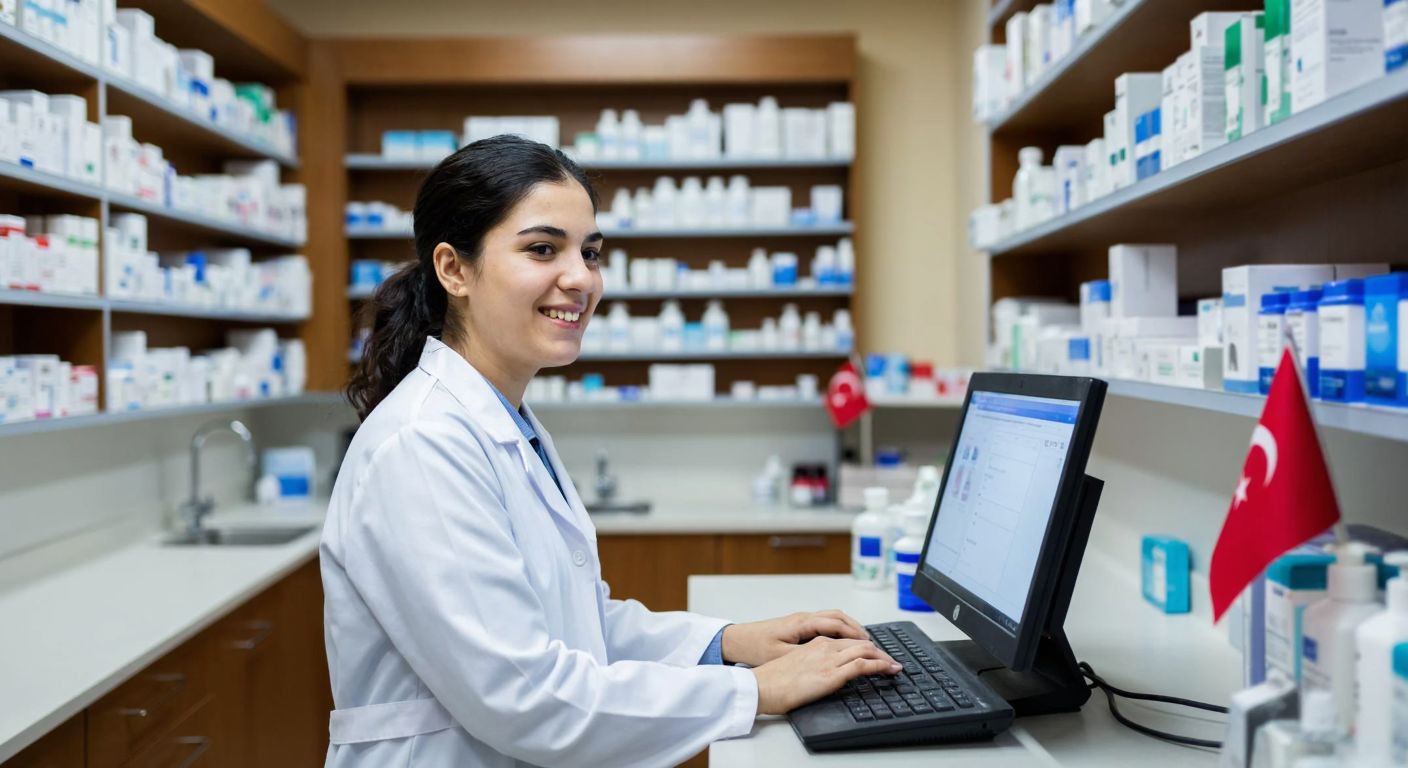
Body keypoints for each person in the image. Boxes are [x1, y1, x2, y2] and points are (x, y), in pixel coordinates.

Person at [322, 135, 899, 767]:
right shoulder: (423, 445)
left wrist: (731, 641)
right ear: (454, 269)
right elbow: (525, 696)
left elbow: (580, 627)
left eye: (590, 252)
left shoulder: (502, 420)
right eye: (543, 248)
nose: (580, 279)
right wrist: (756, 689)